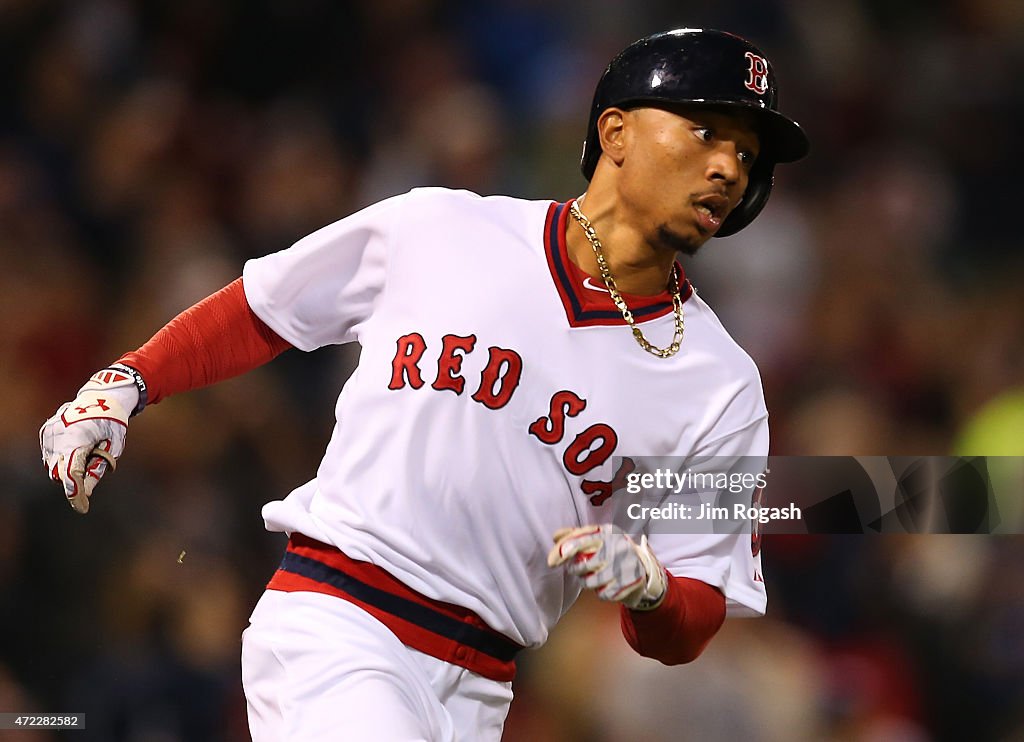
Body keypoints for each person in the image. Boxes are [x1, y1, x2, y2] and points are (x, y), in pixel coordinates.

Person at [40, 28, 808, 741]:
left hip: (482, 687)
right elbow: (266, 309)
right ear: (615, 132)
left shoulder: (722, 384)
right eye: (708, 132)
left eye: (747, 155)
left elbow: (696, 611)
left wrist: (648, 590)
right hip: (338, 623)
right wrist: (130, 378)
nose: (728, 168)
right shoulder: (445, 229)